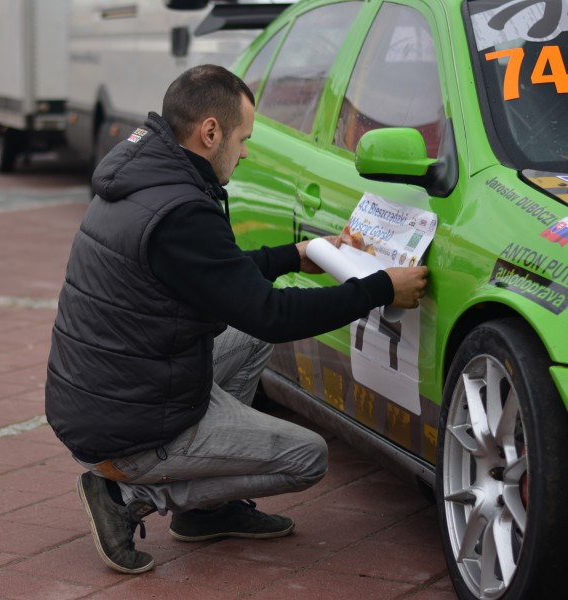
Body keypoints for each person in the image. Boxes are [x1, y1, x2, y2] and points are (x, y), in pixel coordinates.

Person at [44, 64, 428, 574]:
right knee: (307, 458)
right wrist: (379, 287)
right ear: (210, 131)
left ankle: (206, 512)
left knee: (245, 334)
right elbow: (271, 314)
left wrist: (293, 255)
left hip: (112, 390)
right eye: (243, 138)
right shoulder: (180, 207)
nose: (244, 151)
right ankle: (126, 492)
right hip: (131, 421)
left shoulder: (148, 173)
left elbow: (212, 275)